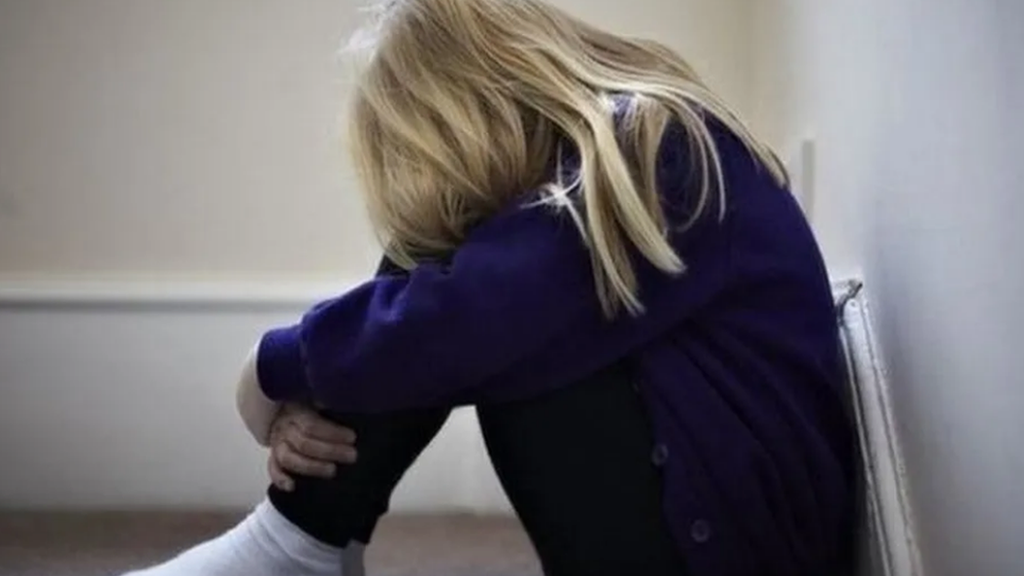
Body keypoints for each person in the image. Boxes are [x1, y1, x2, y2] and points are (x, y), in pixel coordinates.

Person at [122, 0, 856, 575]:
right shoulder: (643, 146)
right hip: (711, 529)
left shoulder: (656, 142)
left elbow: (462, 318)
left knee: (448, 294)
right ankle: (299, 543)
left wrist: (271, 365)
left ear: (472, 103)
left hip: (736, 553)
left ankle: (294, 546)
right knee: (445, 288)